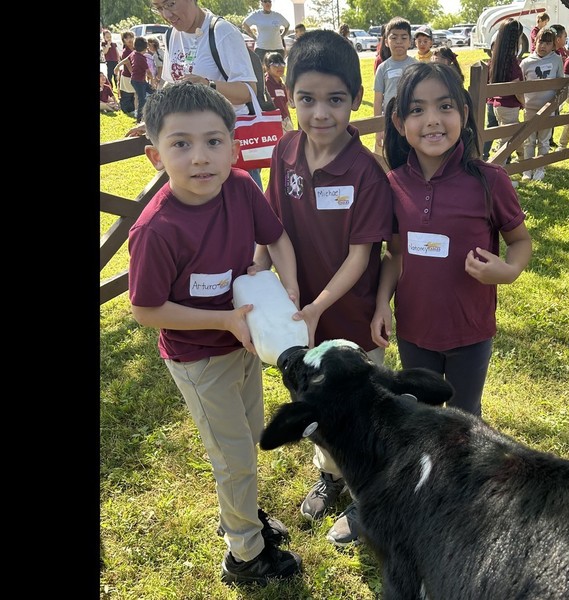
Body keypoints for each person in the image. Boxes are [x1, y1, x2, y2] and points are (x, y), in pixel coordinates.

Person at [127, 81, 303, 587]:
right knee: (233, 457)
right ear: (154, 155)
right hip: (198, 358)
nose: (200, 158)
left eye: (214, 141)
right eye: (181, 143)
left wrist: (287, 285)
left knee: (246, 440)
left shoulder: (242, 186)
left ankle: (244, 515)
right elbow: (145, 309)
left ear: (234, 144)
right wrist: (224, 320)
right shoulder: (156, 231)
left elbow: (276, 238)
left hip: (244, 341)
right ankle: (245, 555)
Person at [266, 29, 393, 548]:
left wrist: (316, 306)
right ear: (290, 97)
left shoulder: (366, 172)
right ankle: (331, 476)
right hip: (300, 318)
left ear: (356, 101)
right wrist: (267, 285)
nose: (320, 114)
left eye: (335, 100)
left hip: (353, 317)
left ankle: (372, 497)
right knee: (319, 409)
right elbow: (272, 228)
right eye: (307, 99)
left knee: (364, 414)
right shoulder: (284, 152)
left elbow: (361, 256)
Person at [372, 61, 532, 419]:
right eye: (417, 109)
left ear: (463, 113)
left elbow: (520, 241)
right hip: (414, 332)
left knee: (464, 421)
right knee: (423, 419)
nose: (432, 119)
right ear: (399, 123)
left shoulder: (491, 181)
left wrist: (508, 271)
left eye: (444, 106)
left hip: (471, 334)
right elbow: (395, 254)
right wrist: (383, 303)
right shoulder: (394, 184)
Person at [138, 0, 265, 190]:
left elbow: (248, 91)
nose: (166, 14)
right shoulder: (171, 34)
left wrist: (208, 84)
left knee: (243, 213)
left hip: (226, 148)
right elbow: (168, 84)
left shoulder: (222, 31)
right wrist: (153, 119)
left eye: (170, 4)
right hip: (190, 150)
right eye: (158, 8)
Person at [519, 27, 564, 181]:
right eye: (540, 42)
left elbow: (561, 82)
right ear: (535, 42)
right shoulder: (526, 63)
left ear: (553, 45)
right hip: (530, 108)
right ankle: (527, 170)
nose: (543, 46)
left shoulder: (557, 60)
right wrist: (523, 104)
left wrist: (556, 105)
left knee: (544, 139)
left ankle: (540, 168)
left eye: (547, 43)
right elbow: (520, 85)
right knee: (529, 139)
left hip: (548, 108)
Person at [373, 17, 416, 152]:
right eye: (394, 37)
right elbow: (378, 100)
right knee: (392, 156)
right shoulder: (382, 68)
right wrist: (378, 128)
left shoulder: (417, 66)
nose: (399, 41)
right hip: (390, 123)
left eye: (404, 38)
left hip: (413, 119)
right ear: (386, 41)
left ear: (410, 41)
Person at [488, 18, 524, 163]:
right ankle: (496, 168)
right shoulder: (512, 63)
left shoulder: (496, 60)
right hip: (510, 106)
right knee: (505, 141)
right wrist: (524, 103)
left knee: (516, 134)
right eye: (520, 38)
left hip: (498, 105)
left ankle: (523, 160)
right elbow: (517, 89)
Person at [115, 36, 152, 123]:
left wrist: (117, 66)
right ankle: (139, 120)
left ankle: (152, 109)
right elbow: (148, 72)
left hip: (138, 80)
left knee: (152, 92)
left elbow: (125, 60)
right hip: (138, 82)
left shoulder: (134, 53)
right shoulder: (142, 59)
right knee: (142, 99)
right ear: (145, 48)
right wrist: (154, 79)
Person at [263, 52, 293, 132]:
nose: (280, 67)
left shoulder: (282, 84)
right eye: (275, 64)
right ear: (267, 67)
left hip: (285, 121)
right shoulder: (264, 84)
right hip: (272, 122)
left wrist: (290, 121)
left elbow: (285, 105)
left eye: (282, 64)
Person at [118, 30, 137, 116]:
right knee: (127, 94)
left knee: (135, 94)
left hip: (136, 75)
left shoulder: (136, 48)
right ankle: (128, 110)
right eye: (127, 38)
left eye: (131, 37)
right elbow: (129, 66)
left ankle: (135, 109)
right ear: (123, 40)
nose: (129, 39)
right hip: (127, 76)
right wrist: (134, 75)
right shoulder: (125, 51)